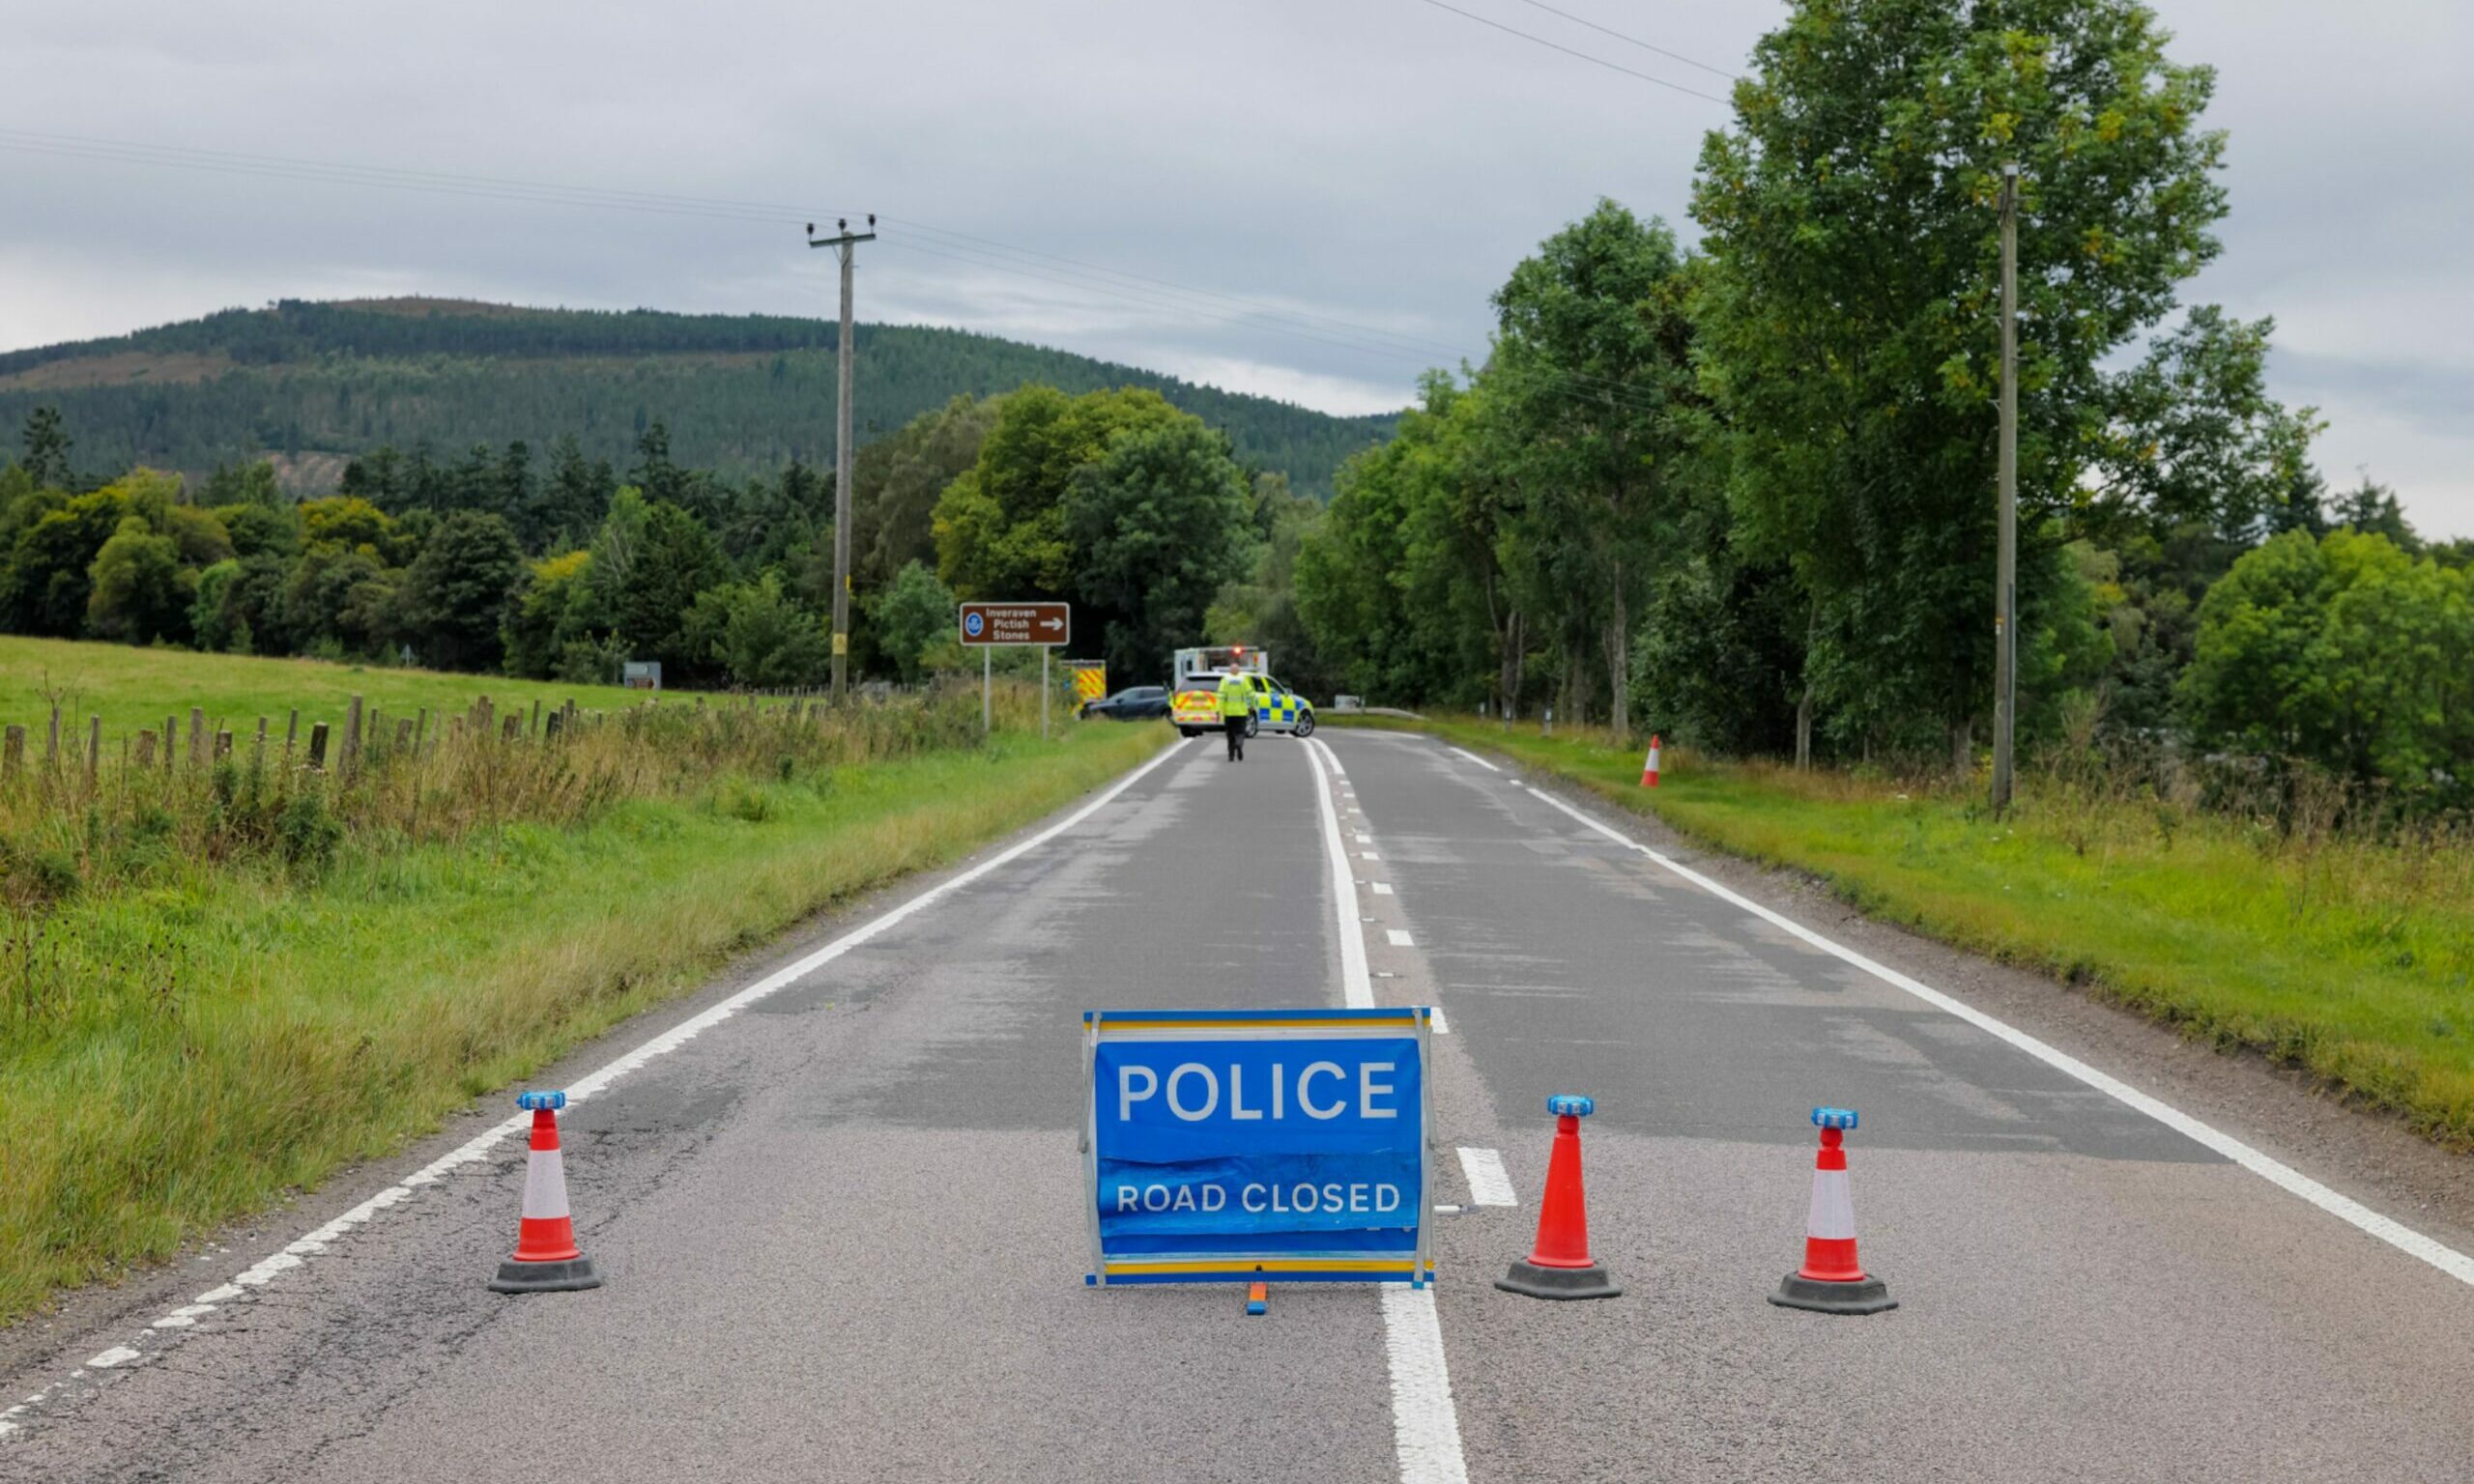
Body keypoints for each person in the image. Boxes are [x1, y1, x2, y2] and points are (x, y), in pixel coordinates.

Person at [1215, 668, 1255, 761]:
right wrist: (1252, 705)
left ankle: (1231, 755)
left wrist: (1218, 711)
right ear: (1238, 671)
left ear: (1230, 671)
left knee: (1230, 734)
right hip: (1241, 712)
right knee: (1240, 732)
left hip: (1228, 713)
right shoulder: (1243, 679)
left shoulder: (1225, 680)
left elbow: (1220, 696)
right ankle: (1239, 744)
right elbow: (1251, 694)